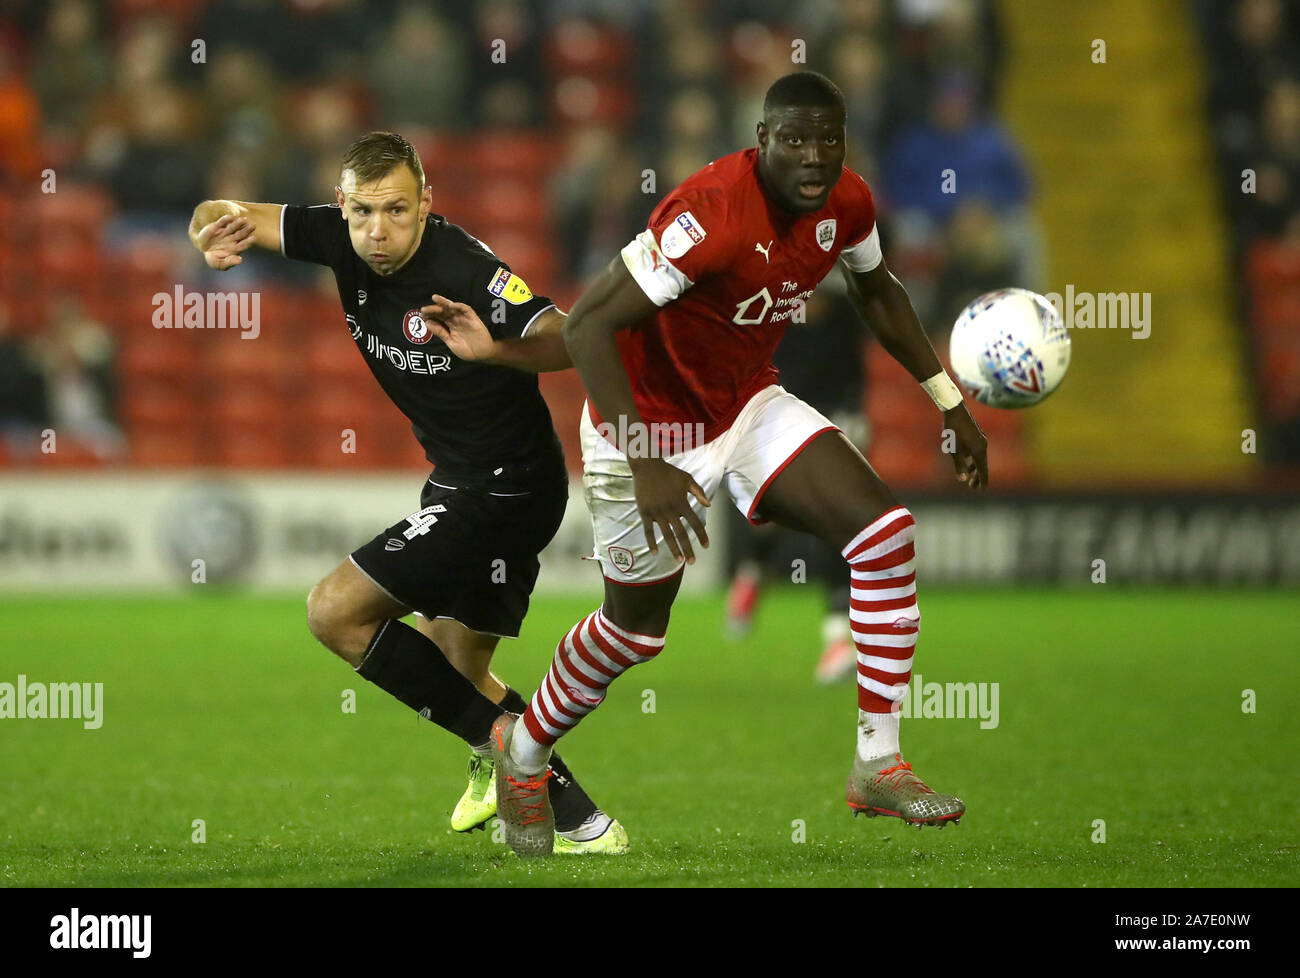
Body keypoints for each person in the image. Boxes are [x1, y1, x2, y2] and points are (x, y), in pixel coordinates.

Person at [475, 72, 988, 856]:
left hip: (745, 405)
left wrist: (948, 400)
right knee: (634, 633)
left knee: (884, 533)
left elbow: (879, 290)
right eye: (795, 140)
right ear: (763, 141)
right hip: (639, 431)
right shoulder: (707, 215)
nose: (815, 157)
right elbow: (587, 330)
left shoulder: (849, 202)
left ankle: (877, 764)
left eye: (829, 138)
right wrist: (647, 460)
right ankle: (524, 749)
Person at [187, 131, 627, 854]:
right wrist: (213, 228)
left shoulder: (461, 266)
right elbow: (221, 208)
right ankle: (582, 823)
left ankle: (507, 747)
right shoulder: (337, 237)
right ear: (341, 206)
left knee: (336, 614)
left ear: (427, 202)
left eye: (395, 210)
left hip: (504, 487)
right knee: (459, 673)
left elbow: (570, 336)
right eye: (361, 213)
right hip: (467, 477)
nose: (376, 232)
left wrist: (499, 349)